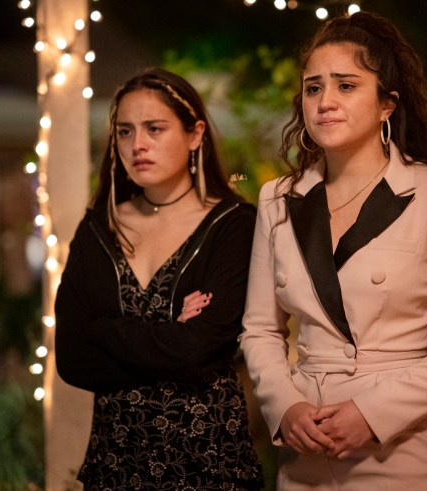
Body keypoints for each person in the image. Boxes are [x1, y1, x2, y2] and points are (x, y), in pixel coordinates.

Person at [240, 11, 427, 489]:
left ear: (387, 105)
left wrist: (372, 413)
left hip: (403, 448)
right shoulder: (279, 198)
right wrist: (285, 407)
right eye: (313, 88)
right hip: (308, 447)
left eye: (346, 85)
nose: (325, 102)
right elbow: (260, 328)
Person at [54, 67, 264, 490]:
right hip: (115, 464)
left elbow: (198, 348)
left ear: (195, 134)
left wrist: (104, 330)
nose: (138, 145)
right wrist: (169, 334)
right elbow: (73, 359)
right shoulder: (98, 228)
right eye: (125, 132)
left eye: (154, 128)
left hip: (208, 463)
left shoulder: (233, 225)